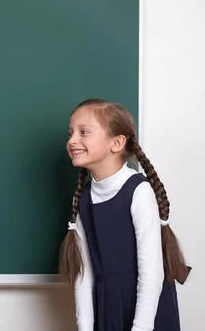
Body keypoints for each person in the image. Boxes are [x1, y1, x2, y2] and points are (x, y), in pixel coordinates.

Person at [60, 98, 190, 331]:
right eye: (70, 133)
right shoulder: (82, 198)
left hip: (146, 312)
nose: (72, 140)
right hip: (107, 306)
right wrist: (85, 327)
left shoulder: (138, 192)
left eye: (84, 132)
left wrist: (141, 328)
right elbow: (84, 274)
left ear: (117, 143)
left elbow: (151, 273)